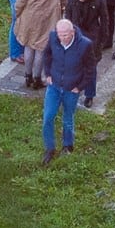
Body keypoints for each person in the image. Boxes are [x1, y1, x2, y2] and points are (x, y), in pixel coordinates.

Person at [12, 0, 65, 92]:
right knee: (41, 49)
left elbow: (20, 1)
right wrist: (62, 11)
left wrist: (18, 14)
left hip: (30, 18)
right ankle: (37, 79)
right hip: (50, 19)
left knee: (29, 46)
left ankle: (27, 77)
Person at [41, 18, 92, 165]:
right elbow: (47, 55)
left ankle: (67, 145)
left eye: (65, 35)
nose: (61, 38)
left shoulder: (84, 45)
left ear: (72, 32)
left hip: (71, 89)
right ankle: (50, 148)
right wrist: (48, 74)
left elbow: (90, 70)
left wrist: (80, 87)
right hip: (54, 86)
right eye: (59, 34)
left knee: (68, 118)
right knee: (48, 117)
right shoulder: (53, 37)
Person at [66, 0, 109, 108]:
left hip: (92, 35)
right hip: (76, 33)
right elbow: (68, 14)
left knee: (91, 67)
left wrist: (103, 38)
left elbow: (105, 18)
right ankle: (73, 89)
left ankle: (89, 95)